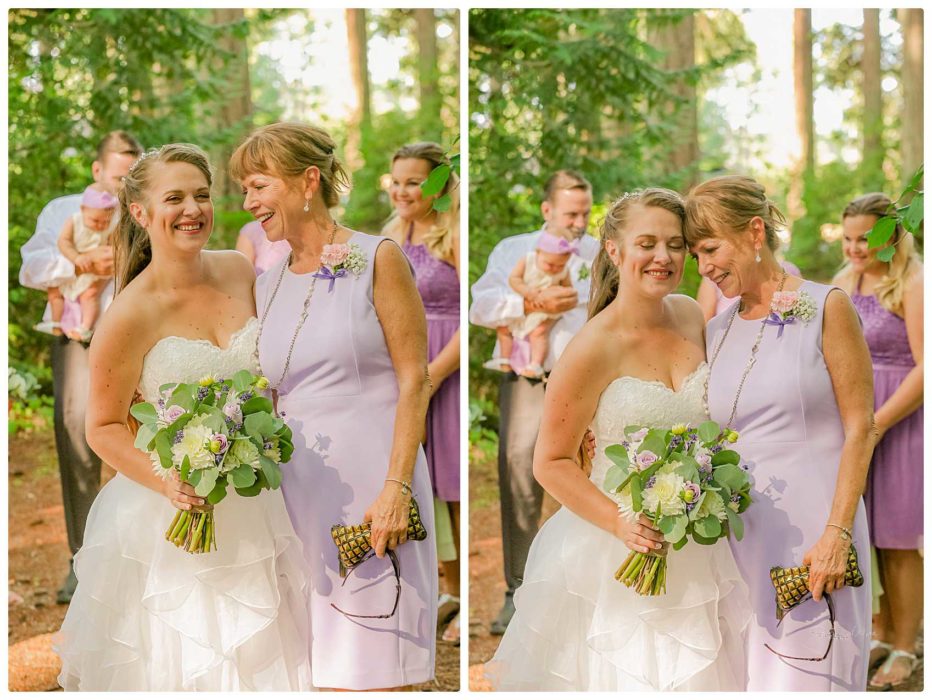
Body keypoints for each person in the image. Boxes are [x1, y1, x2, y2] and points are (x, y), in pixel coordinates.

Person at [53, 144, 311, 691]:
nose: (192, 209)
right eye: (174, 198)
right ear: (141, 213)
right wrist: (167, 481)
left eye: (201, 195)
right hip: (169, 513)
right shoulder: (128, 314)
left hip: (258, 502)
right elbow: (100, 427)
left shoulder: (239, 269)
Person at [486, 188, 751, 691]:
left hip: (698, 543)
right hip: (616, 548)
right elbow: (552, 461)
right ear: (613, 250)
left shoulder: (692, 316)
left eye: (675, 245)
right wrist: (623, 523)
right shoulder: (590, 347)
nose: (663, 257)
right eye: (646, 243)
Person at [233, 122, 438, 690]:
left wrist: (397, 486)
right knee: (311, 661)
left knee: (378, 655)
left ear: (308, 181)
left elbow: (414, 377)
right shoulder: (266, 283)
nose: (248, 203)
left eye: (258, 186)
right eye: (244, 191)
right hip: (296, 489)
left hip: (375, 480)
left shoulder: (378, 257)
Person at [686, 175, 874, 691]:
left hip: (817, 536)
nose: (703, 269)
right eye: (695, 257)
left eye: (710, 249)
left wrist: (836, 533)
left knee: (813, 677)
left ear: (753, 232)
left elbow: (862, 426)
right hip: (740, 543)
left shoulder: (826, 306)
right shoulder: (716, 331)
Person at [469, 169, 598, 634]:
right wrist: (532, 305)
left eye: (585, 212)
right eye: (571, 213)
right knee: (520, 473)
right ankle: (517, 594)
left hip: (586, 383)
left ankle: (583, 591)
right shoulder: (512, 249)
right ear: (547, 210)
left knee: (589, 478)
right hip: (528, 378)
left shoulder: (601, 254)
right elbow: (479, 305)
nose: (580, 222)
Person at [19, 130, 142, 604]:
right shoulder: (62, 210)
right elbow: (32, 266)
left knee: (142, 434)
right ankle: (83, 556)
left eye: (131, 177)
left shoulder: (143, 212)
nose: (121, 186)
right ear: (97, 171)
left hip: (136, 336)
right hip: (78, 338)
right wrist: (83, 266)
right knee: (77, 433)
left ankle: (137, 554)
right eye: (116, 176)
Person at [833, 193, 923, 690]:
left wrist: (878, 423)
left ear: (890, 235)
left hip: (899, 418)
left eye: (863, 238)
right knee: (864, 531)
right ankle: (881, 631)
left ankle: (908, 646)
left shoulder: (914, 281)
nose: (854, 248)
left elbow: (926, 365)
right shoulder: (843, 282)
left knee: (898, 537)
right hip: (853, 423)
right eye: (847, 238)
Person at [383, 142, 462, 645]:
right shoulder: (389, 236)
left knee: (450, 484)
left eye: (415, 181)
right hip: (402, 371)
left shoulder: (454, 234)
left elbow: (467, 316)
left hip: (443, 367)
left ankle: (460, 594)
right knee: (414, 478)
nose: (403, 190)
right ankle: (437, 590)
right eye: (397, 181)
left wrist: (432, 375)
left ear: (437, 185)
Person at [485, 230, 576, 379]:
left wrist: (559, 293)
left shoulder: (563, 271)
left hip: (547, 310)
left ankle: (536, 365)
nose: (554, 269)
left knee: (538, 332)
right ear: (538, 252)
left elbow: (568, 290)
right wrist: (527, 291)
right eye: (549, 264)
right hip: (526, 304)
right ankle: (504, 360)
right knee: (503, 327)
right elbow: (513, 279)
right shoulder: (527, 261)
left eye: (559, 266)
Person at [41, 185, 120, 341]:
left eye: (105, 221)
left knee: (89, 296)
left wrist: (107, 255)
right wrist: (76, 257)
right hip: (76, 263)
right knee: (54, 290)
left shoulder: (111, 227)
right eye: (95, 221)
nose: (100, 225)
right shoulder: (73, 221)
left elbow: (112, 247)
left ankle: (85, 327)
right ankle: (55, 323)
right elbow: (63, 242)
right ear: (83, 209)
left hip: (95, 270)